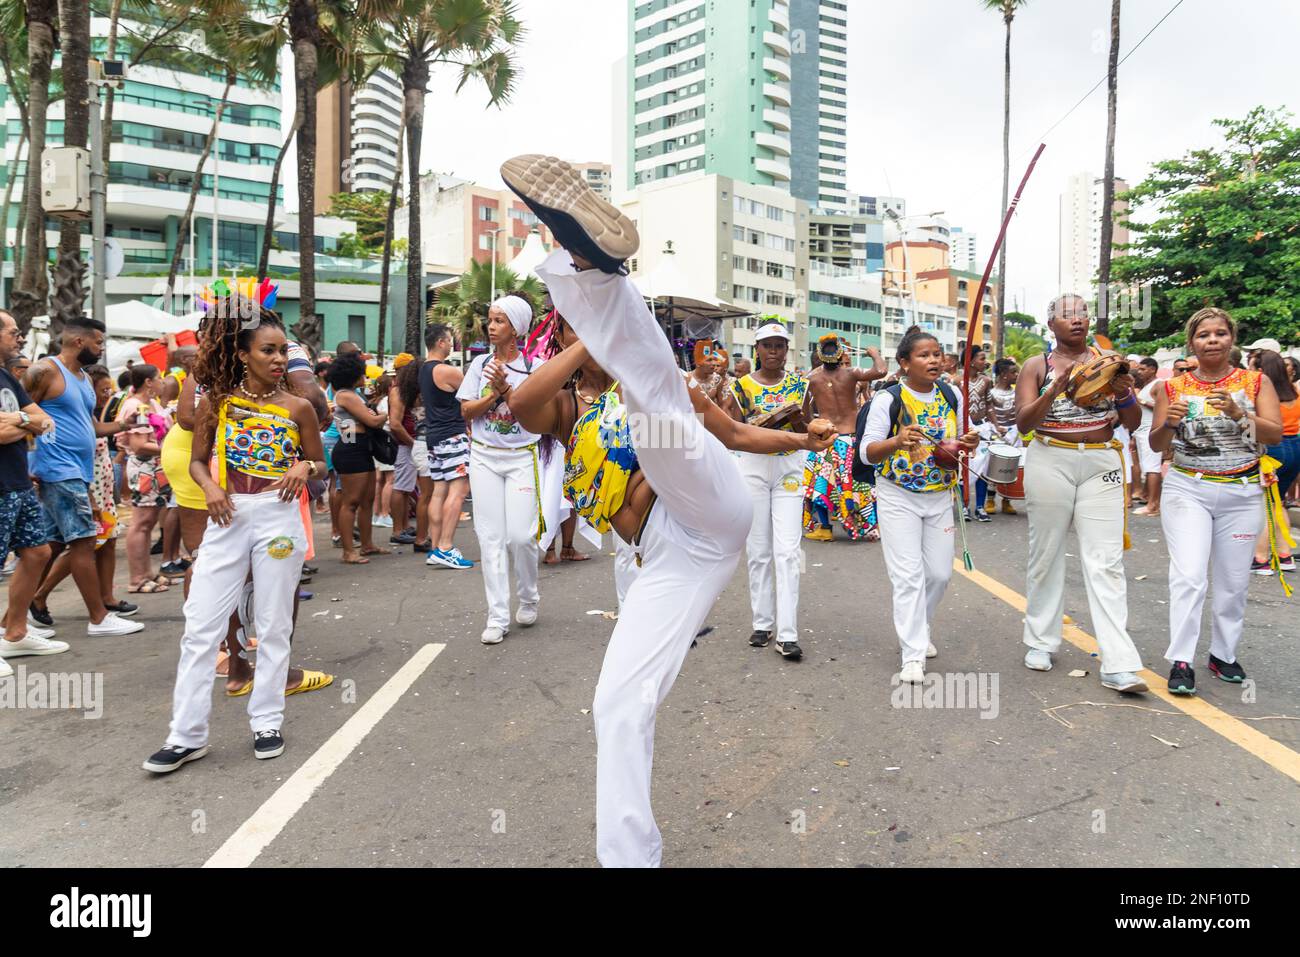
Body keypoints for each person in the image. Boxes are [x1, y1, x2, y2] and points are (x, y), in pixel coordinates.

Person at [501, 151, 834, 866]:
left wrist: (801, 436)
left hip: (709, 502)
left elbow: (739, 434)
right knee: (617, 704)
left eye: (584, 330)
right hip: (670, 558)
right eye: (567, 334)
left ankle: (594, 270)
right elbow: (518, 403)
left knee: (654, 401)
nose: (580, 343)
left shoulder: (650, 380)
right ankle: (630, 857)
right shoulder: (564, 407)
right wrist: (590, 337)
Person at [143, 301, 326, 773]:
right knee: (201, 624)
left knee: (273, 622)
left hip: (278, 519)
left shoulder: (299, 407)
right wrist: (210, 491)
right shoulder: (219, 403)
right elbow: (198, 459)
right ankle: (186, 736)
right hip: (227, 517)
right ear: (243, 354)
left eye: (283, 351)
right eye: (268, 350)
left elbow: (320, 462)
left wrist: (306, 466)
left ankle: (266, 720)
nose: (279, 359)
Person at [1014, 294, 1146, 694]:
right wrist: (1054, 390)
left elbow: (1133, 421)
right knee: (1047, 552)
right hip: (1050, 457)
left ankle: (1119, 663)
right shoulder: (1037, 365)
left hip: (1101, 461)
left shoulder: (1111, 361)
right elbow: (1023, 424)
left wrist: (1124, 392)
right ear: (1050, 323)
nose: (1076, 320)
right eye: (1066, 315)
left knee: (1106, 560)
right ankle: (1040, 640)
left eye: (1082, 314)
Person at [1148, 309, 1283, 694]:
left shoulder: (1256, 382)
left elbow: (1273, 435)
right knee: (1189, 576)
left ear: (1231, 340)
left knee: (1233, 582)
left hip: (1241, 493)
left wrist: (1241, 413)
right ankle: (1182, 660)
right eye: (1203, 334)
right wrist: (1169, 423)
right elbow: (1158, 445)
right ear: (1191, 343)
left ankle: (1223, 653)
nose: (1212, 340)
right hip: (1189, 488)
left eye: (1220, 333)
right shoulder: (1171, 388)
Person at [862, 327, 978, 682]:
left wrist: (966, 441)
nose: (933, 360)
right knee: (908, 575)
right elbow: (867, 452)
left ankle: (920, 628)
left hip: (940, 495)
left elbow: (956, 438)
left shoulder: (950, 393)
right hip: (898, 494)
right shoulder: (888, 399)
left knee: (940, 574)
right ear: (904, 363)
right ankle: (912, 654)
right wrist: (896, 440)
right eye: (924, 355)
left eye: (937, 354)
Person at [23, 316, 141, 637]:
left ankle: (14, 622)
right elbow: (19, 413)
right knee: (84, 540)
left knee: (49, 545)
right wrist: (29, 462)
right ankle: (99, 618)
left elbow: (90, 426)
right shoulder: (45, 371)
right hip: (57, 469)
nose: (101, 349)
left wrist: (123, 427)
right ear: (79, 342)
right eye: (98, 342)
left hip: (79, 471)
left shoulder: (84, 378)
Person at [457, 297, 545, 641]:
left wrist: (507, 389)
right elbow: (467, 412)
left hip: (522, 455)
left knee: (521, 537)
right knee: (490, 538)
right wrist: (493, 395)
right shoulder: (479, 365)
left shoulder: (535, 368)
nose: (491, 326)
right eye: (490, 320)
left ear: (517, 329)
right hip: (483, 456)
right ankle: (497, 617)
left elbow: (534, 414)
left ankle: (529, 596)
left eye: (499, 321)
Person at [730, 320, 812, 660]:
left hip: (789, 467)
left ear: (786, 350)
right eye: (768, 345)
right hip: (752, 467)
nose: (774, 351)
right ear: (758, 350)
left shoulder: (800, 385)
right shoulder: (742, 387)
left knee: (788, 551)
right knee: (759, 549)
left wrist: (796, 422)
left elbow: (808, 426)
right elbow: (732, 429)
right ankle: (762, 623)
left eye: (780, 345)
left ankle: (788, 634)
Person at [0, 309, 61, 679]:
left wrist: (19, 421)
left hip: (18, 482)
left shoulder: (8, 376)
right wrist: (26, 423)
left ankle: (16, 632)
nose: (19, 337)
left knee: (37, 552)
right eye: (12, 331)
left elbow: (44, 421)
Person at [803, 335, 885, 542]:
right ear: (840, 354)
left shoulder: (810, 378)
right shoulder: (851, 373)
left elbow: (803, 413)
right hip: (851, 439)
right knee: (861, 485)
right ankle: (869, 527)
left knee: (822, 486)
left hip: (826, 439)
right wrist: (874, 353)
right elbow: (882, 370)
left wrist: (811, 427)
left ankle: (825, 528)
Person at [117, 364, 175, 593]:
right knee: (141, 522)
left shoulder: (150, 404)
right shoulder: (136, 406)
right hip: (144, 468)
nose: (163, 382)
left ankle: (147, 573)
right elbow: (139, 444)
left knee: (149, 522)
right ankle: (137, 579)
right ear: (148, 382)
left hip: (155, 468)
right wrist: (168, 448)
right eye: (159, 378)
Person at [421, 323, 474, 570]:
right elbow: (473, 393)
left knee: (439, 491)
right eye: (450, 341)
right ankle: (445, 547)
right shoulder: (446, 371)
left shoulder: (424, 369)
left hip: (434, 437)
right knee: (458, 491)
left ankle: (436, 546)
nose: (452, 345)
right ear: (441, 342)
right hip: (452, 436)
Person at [327, 353, 386, 565]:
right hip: (351, 449)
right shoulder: (347, 395)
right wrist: (385, 415)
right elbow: (372, 421)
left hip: (360, 447)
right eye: (362, 371)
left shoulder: (354, 394)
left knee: (367, 499)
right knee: (351, 501)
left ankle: (367, 544)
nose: (365, 374)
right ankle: (348, 550)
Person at [1251, 350, 1298, 575]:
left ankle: (1260, 558)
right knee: (1277, 502)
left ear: (1261, 369)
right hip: (1295, 447)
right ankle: (1285, 554)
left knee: (1264, 504)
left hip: (1273, 450)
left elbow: (1258, 427)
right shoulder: (1294, 391)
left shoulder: (1262, 393)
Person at [387, 355, 422, 546]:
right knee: (401, 488)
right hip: (405, 445)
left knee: (406, 488)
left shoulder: (405, 390)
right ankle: (397, 530)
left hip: (409, 444)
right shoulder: (398, 390)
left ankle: (404, 526)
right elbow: (395, 424)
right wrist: (413, 443)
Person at [982, 356, 1021, 515]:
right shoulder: (991, 393)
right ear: (1004, 374)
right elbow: (988, 412)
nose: (1017, 375)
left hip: (1014, 433)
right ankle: (990, 500)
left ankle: (1007, 501)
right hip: (996, 434)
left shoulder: (1017, 392)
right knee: (995, 468)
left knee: (1011, 469)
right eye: (1014, 372)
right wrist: (997, 428)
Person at [1131, 357, 1164, 516]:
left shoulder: (1159, 384)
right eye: (1139, 369)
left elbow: (1162, 407)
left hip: (1151, 432)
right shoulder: (1146, 386)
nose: (1139, 372)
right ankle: (1148, 499)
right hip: (1142, 432)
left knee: (1152, 468)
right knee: (1148, 467)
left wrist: (1141, 401)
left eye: (1143, 369)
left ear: (1152, 369)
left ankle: (1153, 505)